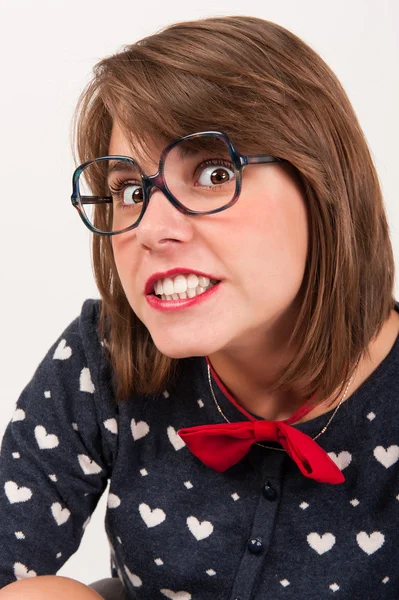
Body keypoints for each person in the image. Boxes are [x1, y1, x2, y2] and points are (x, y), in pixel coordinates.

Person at [0, 13, 398, 600]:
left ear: (323, 185)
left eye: (213, 173)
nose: (152, 230)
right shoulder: (104, 353)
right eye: (131, 192)